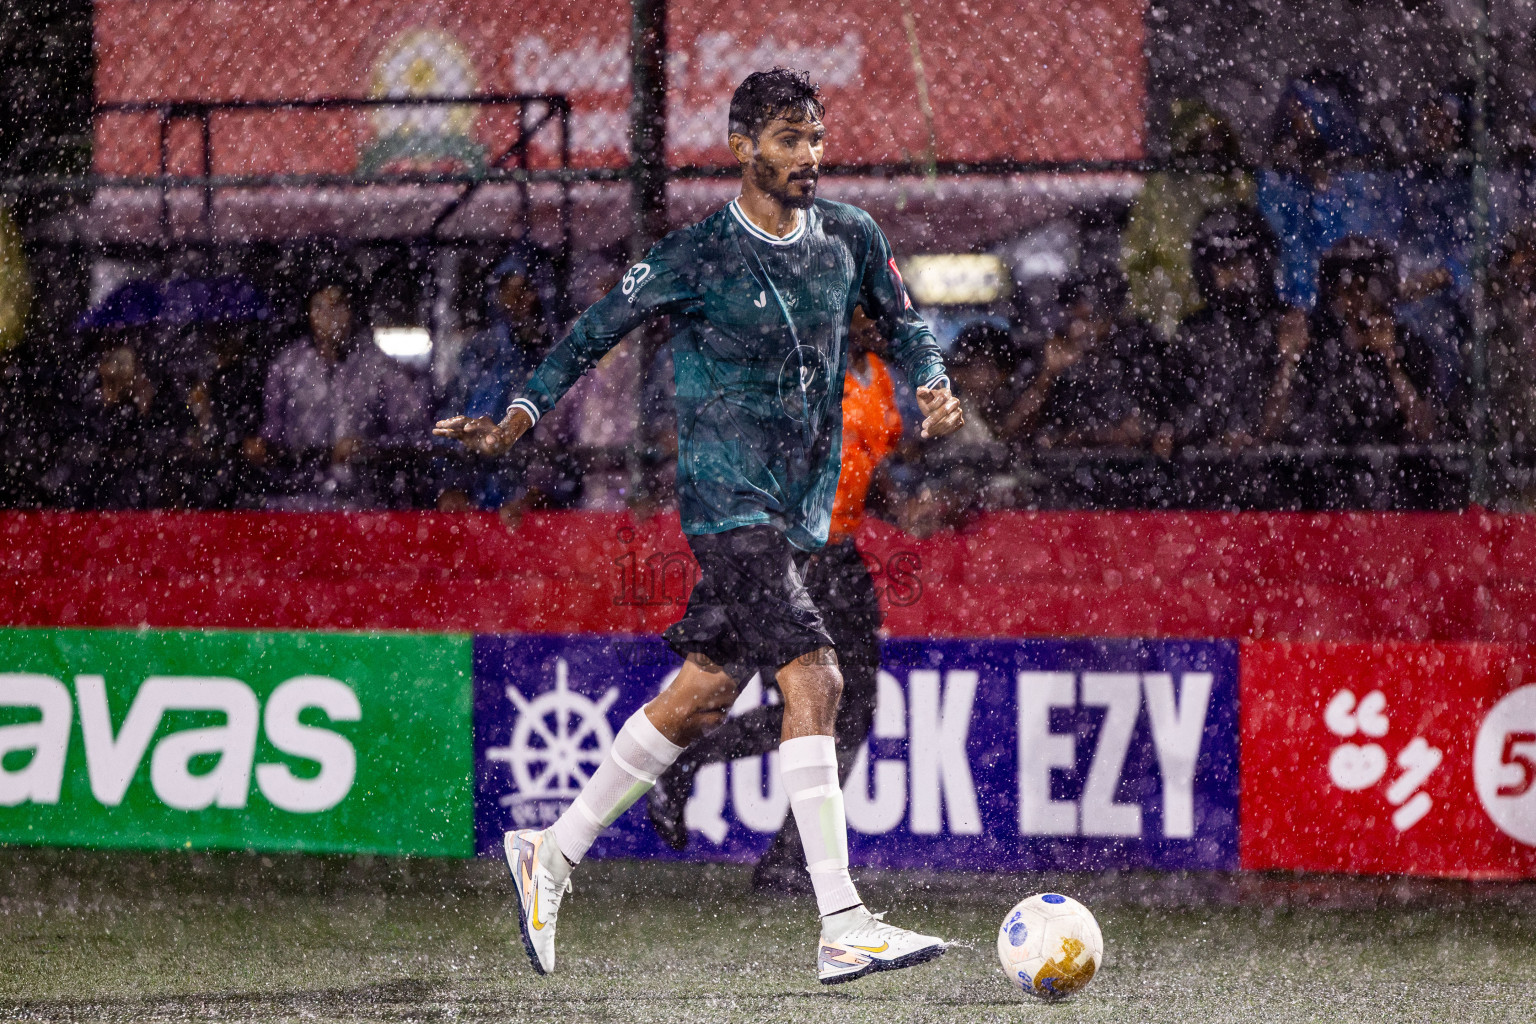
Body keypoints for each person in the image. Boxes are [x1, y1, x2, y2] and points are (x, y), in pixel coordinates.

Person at [435, 68, 964, 983]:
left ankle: (550, 852)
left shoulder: (848, 235)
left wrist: (933, 382)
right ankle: (842, 920)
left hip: (794, 513)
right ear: (742, 146)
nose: (809, 155)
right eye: (790, 139)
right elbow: (590, 333)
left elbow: (906, 320)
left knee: (702, 698)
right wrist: (519, 417)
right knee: (819, 677)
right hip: (726, 504)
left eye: (816, 138)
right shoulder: (694, 256)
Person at [644, 304, 900, 894]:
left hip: (842, 554)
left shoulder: (878, 375)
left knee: (851, 712)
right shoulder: (807, 374)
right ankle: (689, 762)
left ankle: (789, 857)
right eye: (865, 306)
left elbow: (868, 462)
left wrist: (905, 504)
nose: (876, 318)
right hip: (791, 552)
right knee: (796, 702)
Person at [256, 274, 429, 505]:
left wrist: (369, 449)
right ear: (308, 313)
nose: (328, 317)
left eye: (337, 307)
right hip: (295, 504)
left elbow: (414, 434)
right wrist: (261, 446)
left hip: (361, 507)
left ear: (351, 312)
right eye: (318, 307)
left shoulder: (380, 368)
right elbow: (272, 429)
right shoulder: (287, 366)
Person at [1263, 238, 1438, 448]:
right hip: (1317, 468)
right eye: (1346, 290)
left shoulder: (1405, 344)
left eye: (1365, 288)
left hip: (1393, 470)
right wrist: (1289, 362)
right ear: (1331, 294)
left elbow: (1426, 432)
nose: (1357, 300)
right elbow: (1269, 431)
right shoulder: (1312, 344)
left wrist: (1391, 361)